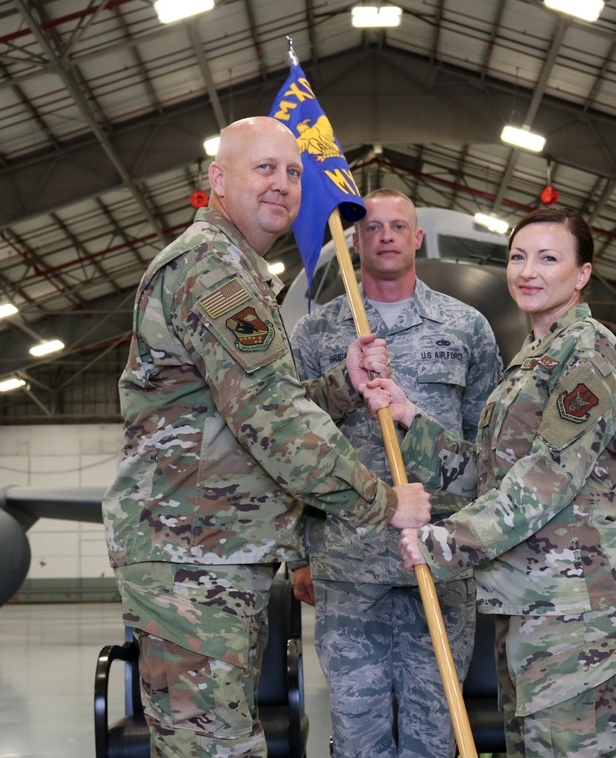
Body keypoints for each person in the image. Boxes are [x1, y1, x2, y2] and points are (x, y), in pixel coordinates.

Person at [101, 116, 431, 758]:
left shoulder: (238, 269)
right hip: (191, 560)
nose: (282, 184)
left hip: (212, 554)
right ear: (217, 180)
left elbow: (244, 412)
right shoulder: (212, 269)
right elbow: (274, 424)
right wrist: (386, 503)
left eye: (293, 172)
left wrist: (344, 384)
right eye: (264, 168)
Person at [364, 206, 616, 757]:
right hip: (524, 604)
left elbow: (544, 483)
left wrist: (443, 543)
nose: (528, 271)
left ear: (582, 274)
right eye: (518, 257)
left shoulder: (589, 356)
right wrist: (408, 416)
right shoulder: (532, 359)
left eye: (548, 258)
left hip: (572, 616)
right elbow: (488, 475)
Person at [289, 188, 502, 758]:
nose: (385, 236)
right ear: (354, 242)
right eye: (372, 227)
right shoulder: (316, 334)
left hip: (439, 553)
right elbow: (295, 447)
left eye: (397, 226)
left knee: (436, 732)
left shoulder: (466, 328)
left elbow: (489, 449)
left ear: (417, 238)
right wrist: (298, 556)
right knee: (358, 733)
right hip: (346, 560)